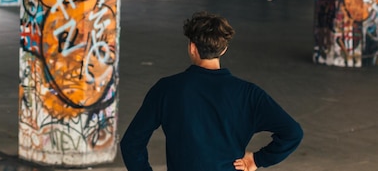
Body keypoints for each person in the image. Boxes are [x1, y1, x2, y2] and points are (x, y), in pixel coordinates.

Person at [120, 11, 303, 171]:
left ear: (192, 48)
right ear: (224, 49)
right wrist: (257, 160)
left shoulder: (167, 89)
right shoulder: (249, 94)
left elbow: (131, 143)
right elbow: (292, 132)